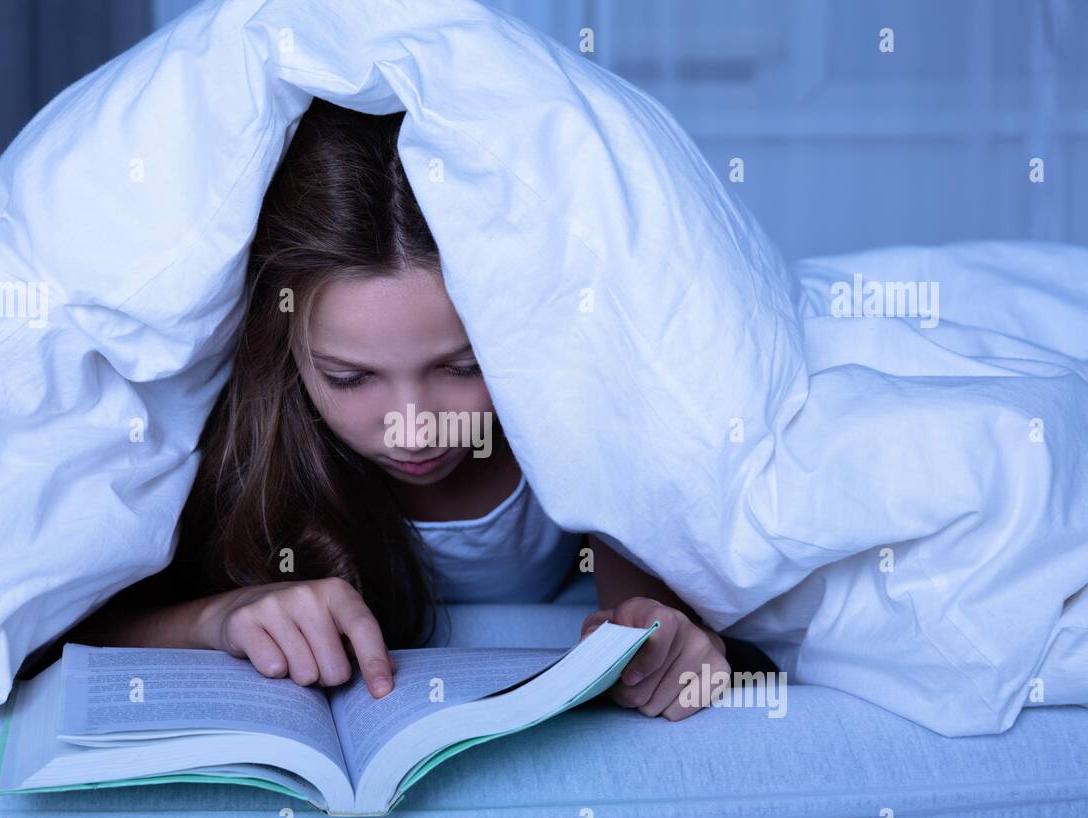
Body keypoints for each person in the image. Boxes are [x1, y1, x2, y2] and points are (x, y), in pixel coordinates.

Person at [60, 98, 741, 720]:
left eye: (462, 367)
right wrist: (218, 618)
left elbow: (647, 609)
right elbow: (77, 622)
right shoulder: (251, 440)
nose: (412, 428)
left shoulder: (580, 416)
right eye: (350, 378)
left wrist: (672, 639)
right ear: (288, 347)